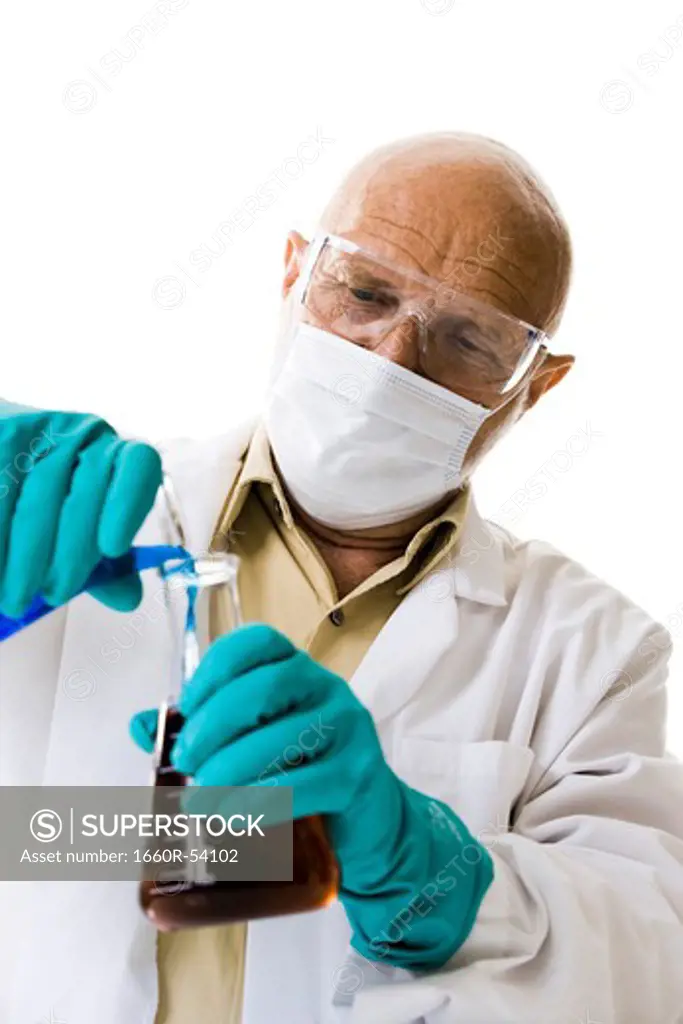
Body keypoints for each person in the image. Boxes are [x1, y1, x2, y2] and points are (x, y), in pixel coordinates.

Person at [2, 132, 683, 1024]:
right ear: (294, 270)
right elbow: (27, 840)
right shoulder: (71, 522)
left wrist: (432, 868)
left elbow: (646, 957)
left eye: (468, 339)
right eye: (363, 292)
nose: (391, 357)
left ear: (534, 386)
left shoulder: (592, 649)